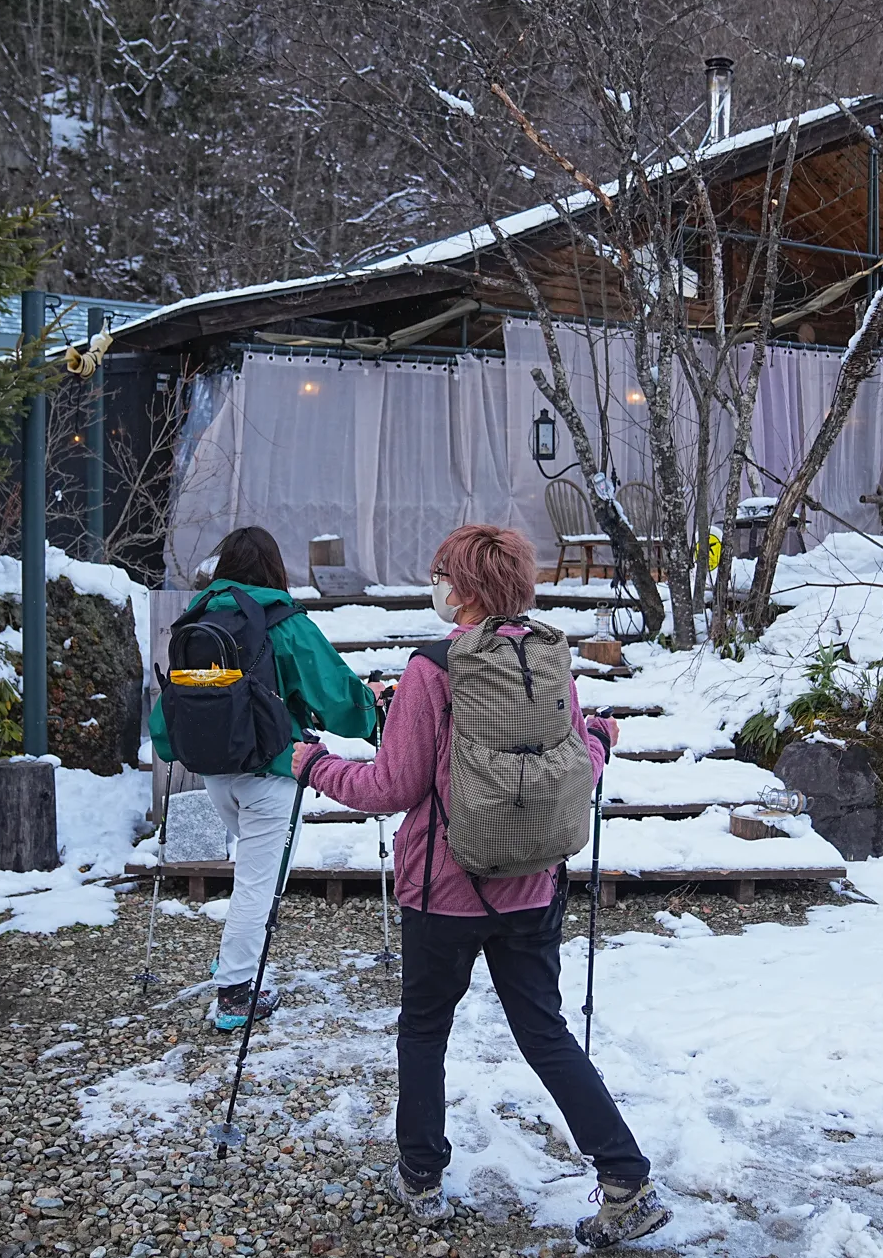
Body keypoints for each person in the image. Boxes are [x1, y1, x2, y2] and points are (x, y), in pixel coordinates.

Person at [290, 524, 671, 1249]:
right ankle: (626, 1178)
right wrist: (597, 740)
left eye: (441, 574)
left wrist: (312, 765)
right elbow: (573, 767)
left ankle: (422, 1175)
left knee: (426, 1029)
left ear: (460, 589)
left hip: (442, 891)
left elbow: (390, 785)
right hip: (532, 885)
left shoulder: (434, 669)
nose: (436, 584)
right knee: (545, 1032)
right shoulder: (553, 661)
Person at [148, 526, 377, 1030]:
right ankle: (234, 993)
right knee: (260, 884)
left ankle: (235, 955)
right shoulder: (280, 620)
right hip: (271, 772)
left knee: (253, 875)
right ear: (275, 568)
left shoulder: (201, 616)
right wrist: (374, 721)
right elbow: (332, 692)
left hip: (214, 769)